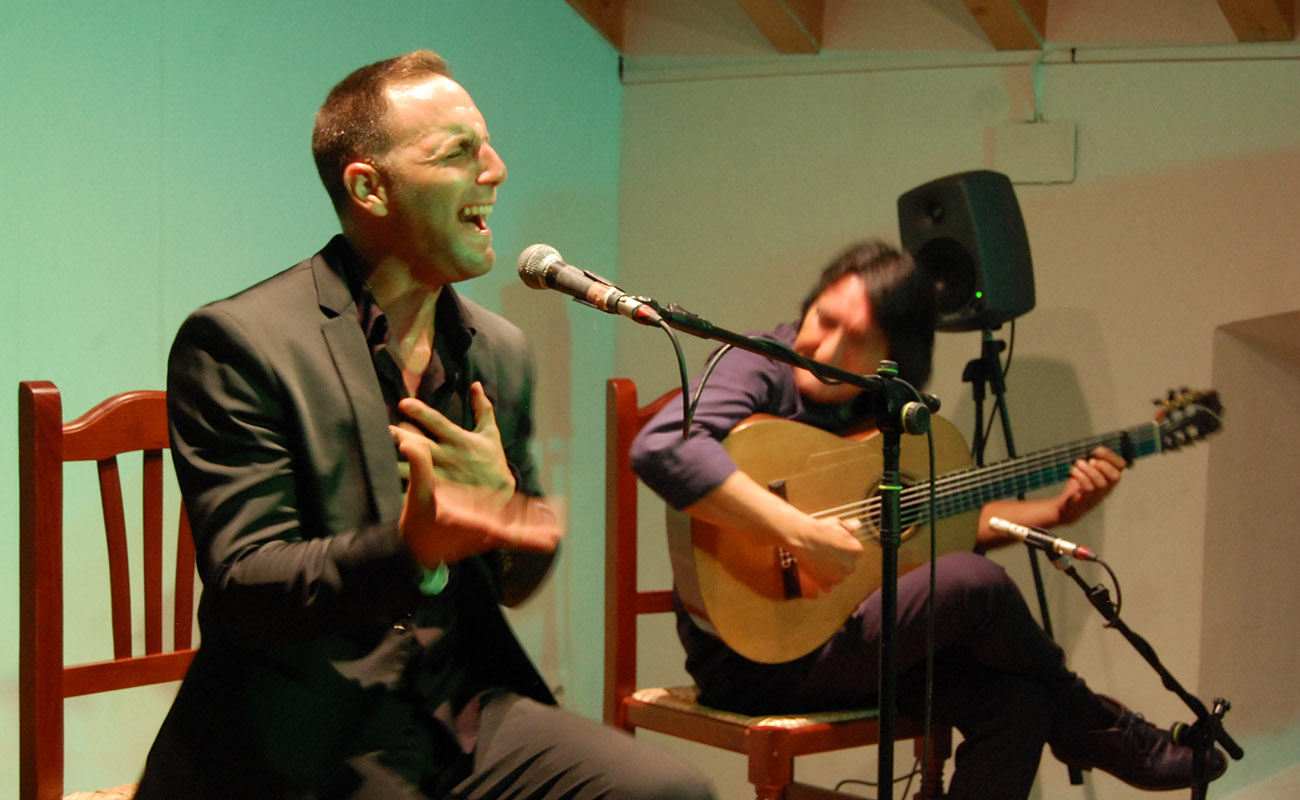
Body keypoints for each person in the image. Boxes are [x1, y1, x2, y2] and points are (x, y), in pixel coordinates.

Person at [135, 50, 713, 800]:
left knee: (665, 792)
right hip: (301, 736)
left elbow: (513, 582)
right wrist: (411, 552)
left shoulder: (496, 352)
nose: (496, 170)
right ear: (370, 188)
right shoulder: (241, 343)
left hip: (458, 711)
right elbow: (247, 585)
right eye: (459, 153)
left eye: (489, 145)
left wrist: (507, 517)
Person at [630, 240, 1227, 799]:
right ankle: (1092, 722)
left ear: (895, 358)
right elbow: (664, 448)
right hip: (752, 659)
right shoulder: (759, 363)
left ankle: (1069, 718)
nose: (827, 349)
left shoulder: (893, 412)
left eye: (858, 339)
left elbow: (935, 527)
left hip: (851, 643)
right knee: (979, 583)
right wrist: (801, 533)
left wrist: (1058, 511)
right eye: (824, 318)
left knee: (1018, 702)